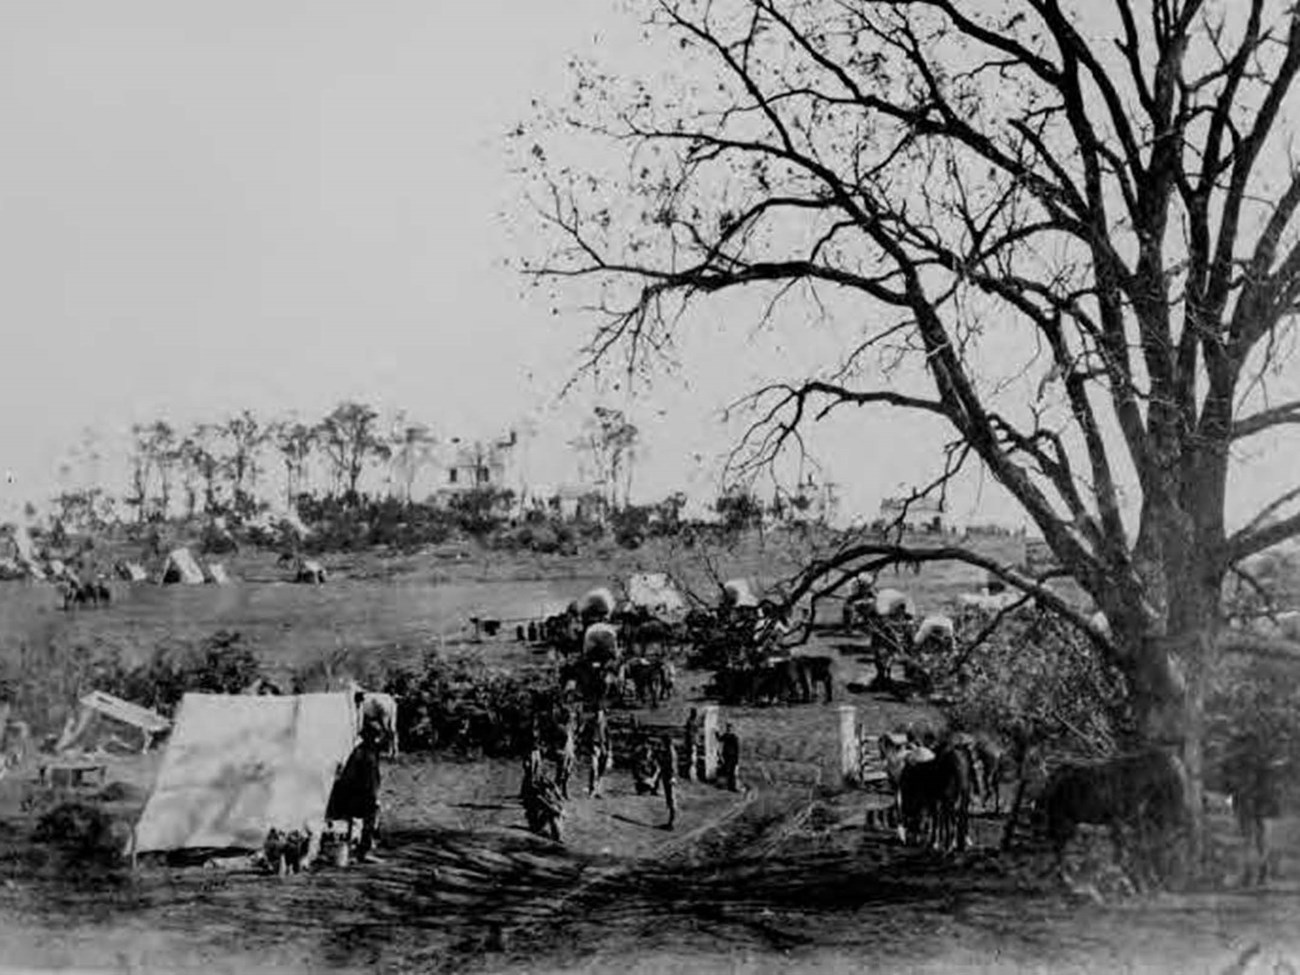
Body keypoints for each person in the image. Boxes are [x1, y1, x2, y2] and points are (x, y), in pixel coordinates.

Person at [326, 726, 384, 864]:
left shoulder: (364, 750)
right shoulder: (365, 753)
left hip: (357, 791)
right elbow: (365, 777)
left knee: (356, 822)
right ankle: (361, 852)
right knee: (367, 821)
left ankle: (353, 851)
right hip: (361, 793)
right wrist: (373, 795)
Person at [658, 734, 678, 830]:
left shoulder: (670, 752)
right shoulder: (668, 750)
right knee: (669, 799)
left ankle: (671, 823)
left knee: (671, 799)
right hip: (667, 776)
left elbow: (673, 765)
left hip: (669, 777)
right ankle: (670, 822)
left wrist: (673, 777)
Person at [719, 723, 741, 793]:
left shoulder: (733, 737)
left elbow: (737, 749)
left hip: (731, 756)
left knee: (730, 772)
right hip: (728, 756)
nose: (728, 729)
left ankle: (731, 786)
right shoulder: (729, 736)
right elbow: (720, 739)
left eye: (729, 728)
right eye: (728, 728)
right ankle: (730, 786)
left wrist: (737, 760)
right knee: (729, 771)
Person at [682, 708, 699, 782]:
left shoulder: (690, 722)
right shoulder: (692, 722)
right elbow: (694, 732)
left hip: (691, 742)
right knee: (692, 759)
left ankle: (691, 774)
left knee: (691, 759)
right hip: (692, 742)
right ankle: (692, 776)